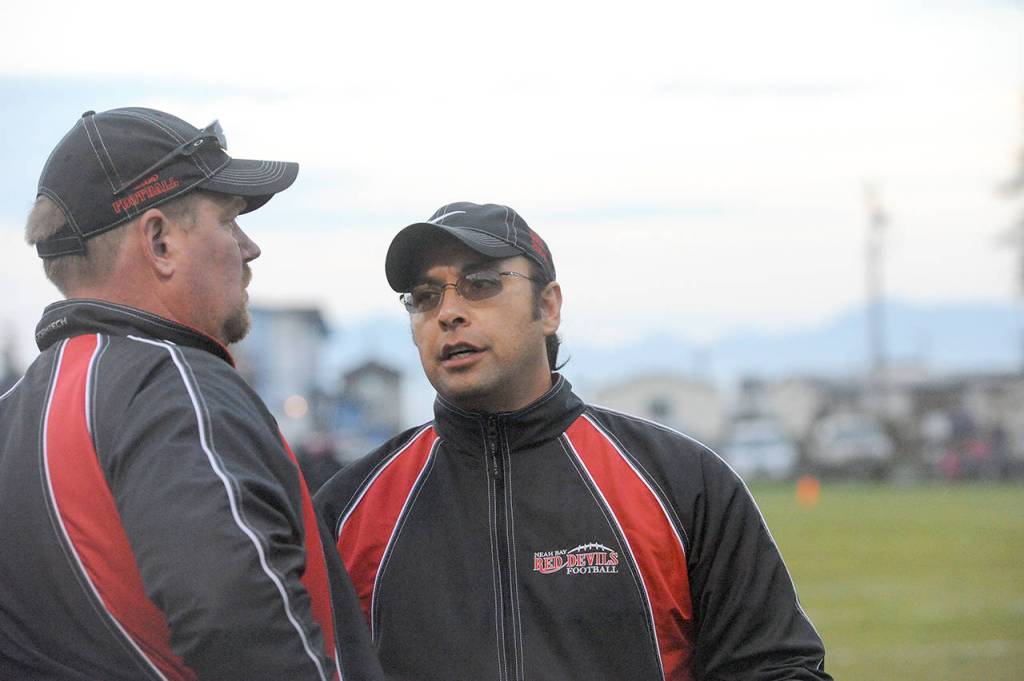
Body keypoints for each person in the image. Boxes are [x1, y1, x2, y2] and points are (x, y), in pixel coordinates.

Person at [315, 202, 832, 681]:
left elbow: (773, 666)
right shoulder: (347, 509)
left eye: (480, 283)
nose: (447, 312)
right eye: (425, 297)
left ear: (548, 307)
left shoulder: (680, 482)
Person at [0, 108, 380, 681]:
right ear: (159, 242)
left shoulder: (16, 413)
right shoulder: (175, 386)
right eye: (228, 221)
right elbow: (234, 618)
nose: (248, 248)